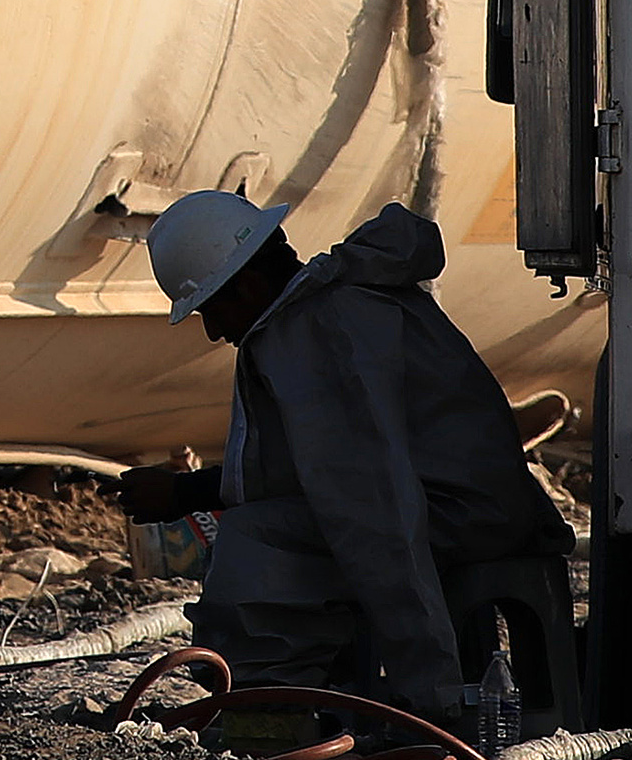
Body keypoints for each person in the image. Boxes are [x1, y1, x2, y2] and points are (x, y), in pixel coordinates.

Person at [118, 191, 572, 722]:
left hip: (465, 515)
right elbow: (302, 473)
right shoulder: (323, 312)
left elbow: (375, 515)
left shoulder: (318, 332)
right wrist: (183, 493)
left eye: (212, 310)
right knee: (280, 530)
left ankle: (268, 711)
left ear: (248, 285)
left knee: (255, 547)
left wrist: (428, 695)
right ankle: (300, 699)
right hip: (475, 503)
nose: (214, 331)